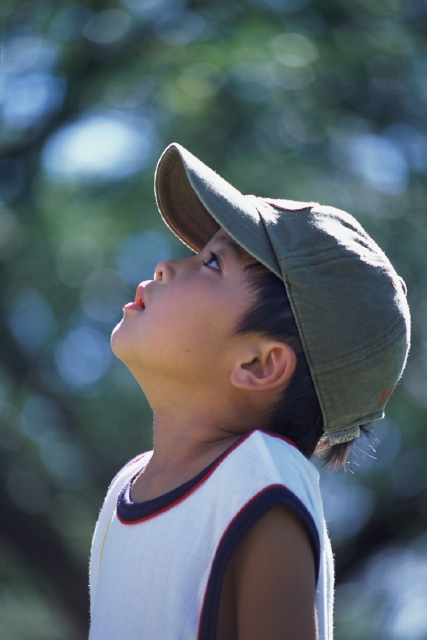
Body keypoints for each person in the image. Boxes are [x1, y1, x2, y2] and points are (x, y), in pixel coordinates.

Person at [88, 143, 410, 640]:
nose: (167, 266)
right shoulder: (125, 488)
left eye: (213, 264)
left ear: (260, 364)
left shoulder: (261, 481)